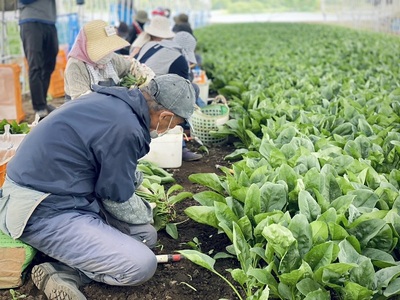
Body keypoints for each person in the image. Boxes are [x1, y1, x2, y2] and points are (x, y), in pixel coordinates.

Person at [0, 74, 197, 300]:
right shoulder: (125, 127)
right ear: (165, 116)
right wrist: (146, 211)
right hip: (40, 208)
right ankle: (63, 273)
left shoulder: (116, 105)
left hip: (66, 195)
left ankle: (73, 259)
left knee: (145, 236)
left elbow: (119, 170)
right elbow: (117, 198)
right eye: (176, 124)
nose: (172, 128)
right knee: (141, 265)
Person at [134, 16, 203, 161]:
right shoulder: (179, 59)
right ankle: (181, 147)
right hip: (153, 93)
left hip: (138, 90)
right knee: (191, 93)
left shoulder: (150, 44)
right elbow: (183, 89)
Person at [64, 20, 134, 100]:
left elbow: (131, 67)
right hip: (83, 110)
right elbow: (83, 102)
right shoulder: (75, 66)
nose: (108, 52)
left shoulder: (111, 58)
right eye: (103, 48)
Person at [19, 0, 59, 118]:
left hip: (50, 21)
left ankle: (43, 102)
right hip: (31, 21)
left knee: (49, 64)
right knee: (35, 65)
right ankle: (39, 107)